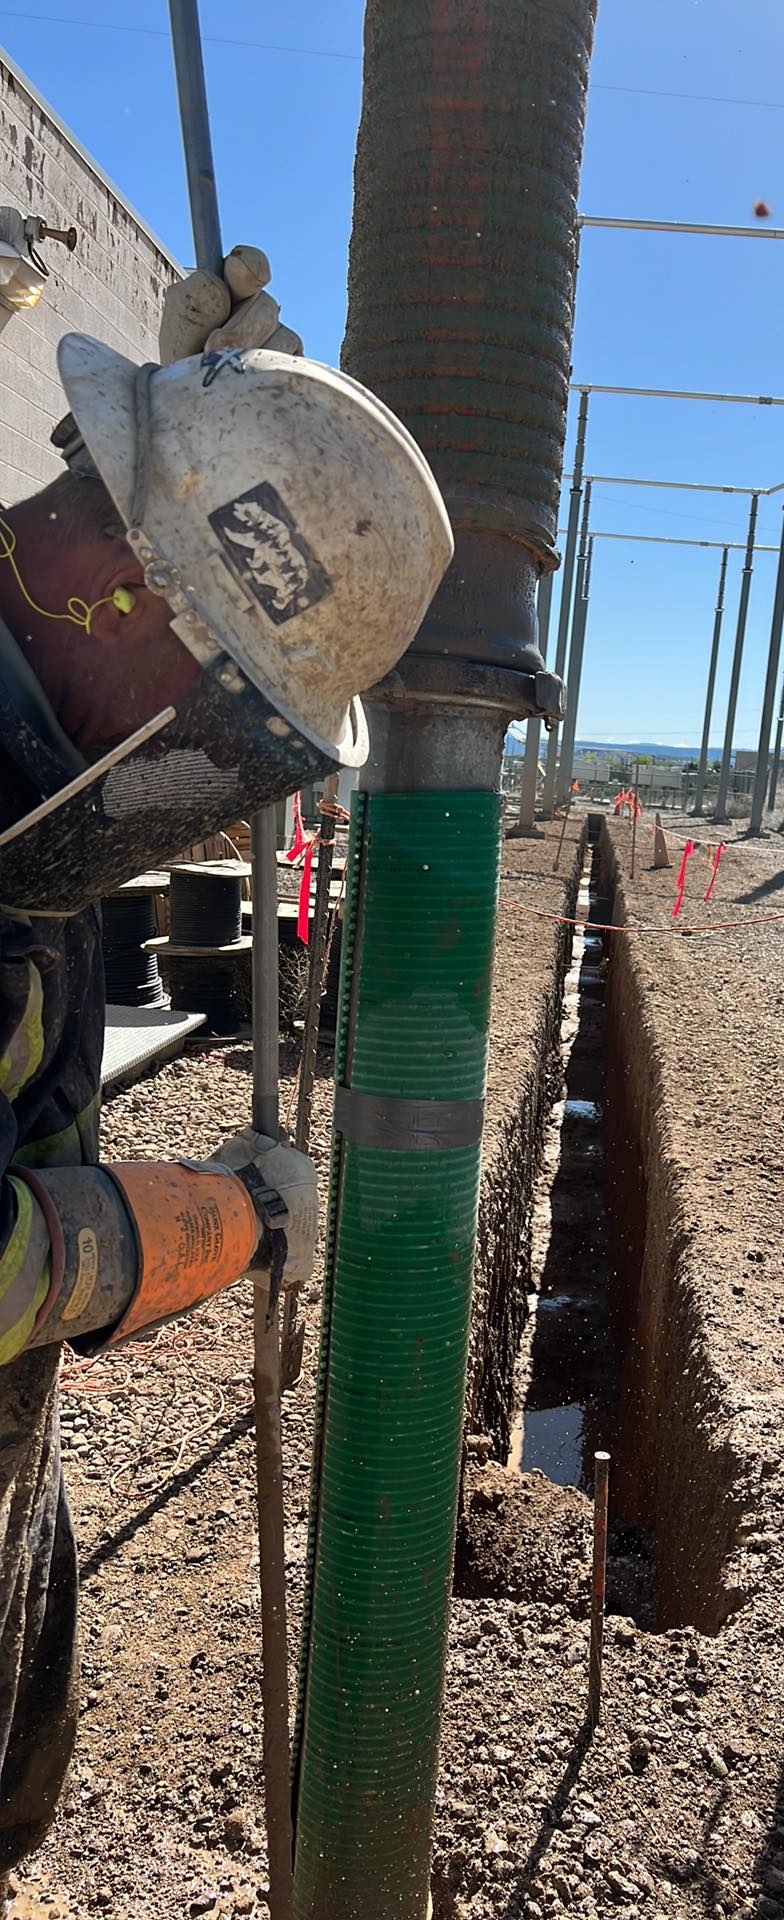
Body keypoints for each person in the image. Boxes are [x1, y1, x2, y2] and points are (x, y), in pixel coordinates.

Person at [0, 247, 453, 1884]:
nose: (202, 784)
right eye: (222, 725)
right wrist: (215, 1222)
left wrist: (204, 422)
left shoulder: (28, 766)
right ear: (128, 601)